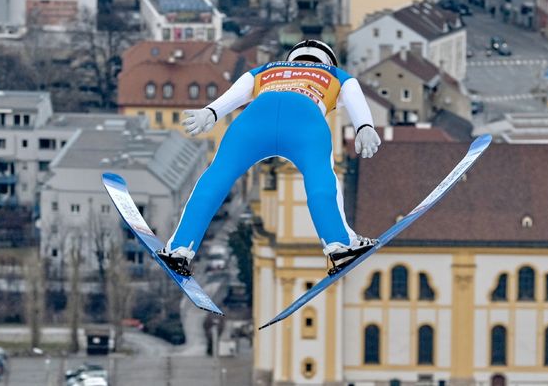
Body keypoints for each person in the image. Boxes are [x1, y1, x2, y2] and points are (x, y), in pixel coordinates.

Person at [157, 39, 382, 276]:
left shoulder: (266, 70)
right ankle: (339, 245)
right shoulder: (336, 74)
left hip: (254, 120)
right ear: (327, 60)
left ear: (290, 59)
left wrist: (210, 112)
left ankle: (179, 249)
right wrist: (364, 126)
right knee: (320, 177)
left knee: (217, 176)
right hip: (304, 120)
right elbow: (354, 93)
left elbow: (237, 93)